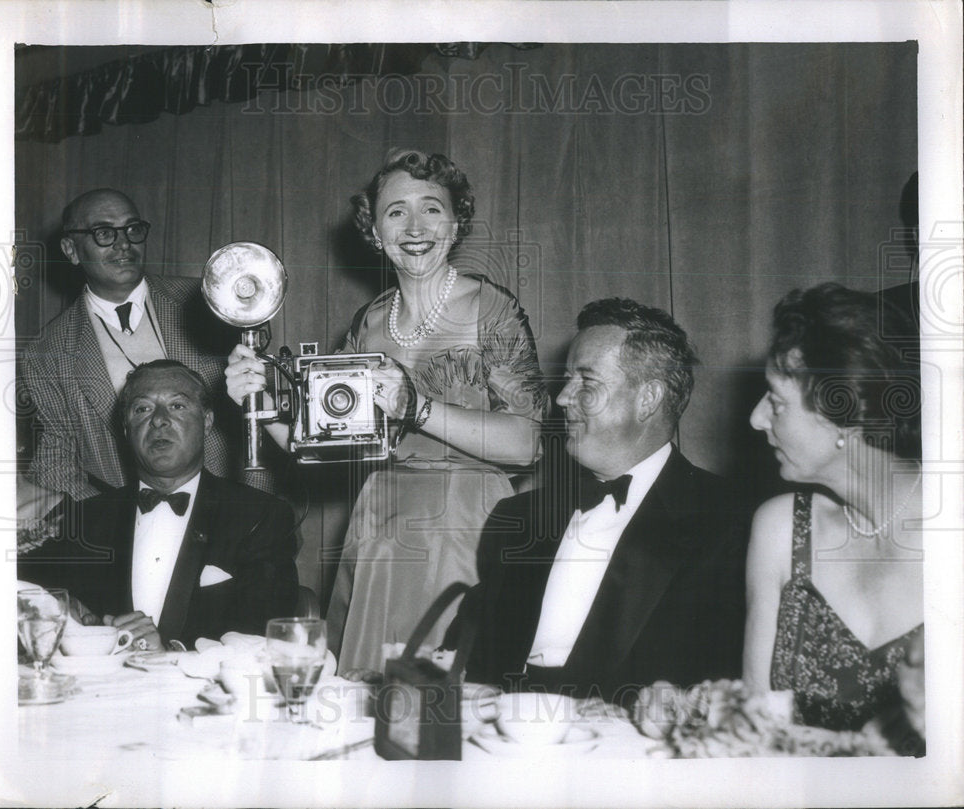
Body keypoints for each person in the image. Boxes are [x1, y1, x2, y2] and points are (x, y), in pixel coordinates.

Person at [226, 150, 547, 671]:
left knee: (445, 698)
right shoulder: (371, 320)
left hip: (466, 522)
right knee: (368, 697)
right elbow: (323, 449)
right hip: (379, 520)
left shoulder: (491, 308)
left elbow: (527, 442)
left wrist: (416, 407)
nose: (415, 227)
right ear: (374, 232)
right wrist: (260, 405)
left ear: (457, 221)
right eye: (396, 211)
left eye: (432, 209)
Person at [458, 298, 750, 708]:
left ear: (648, 398)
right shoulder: (518, 516)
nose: (561, 399)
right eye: (566, 379)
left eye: (587, 382)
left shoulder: (731, 520)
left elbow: (727, 684)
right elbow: (469, 654)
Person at [744, 283, 923, 745]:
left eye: (776, 402)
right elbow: (755, 731)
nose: (757, 419)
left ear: (843, 416)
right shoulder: (780, 530)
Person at [18, 360, 300, 650]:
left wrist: (169, 654)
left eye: (177, 406)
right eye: (143, 409)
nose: (159, 420)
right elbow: (24, 605)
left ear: (207, 421)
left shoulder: (260, 516)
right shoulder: (86, 520)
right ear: (126, 429)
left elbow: (268, 640)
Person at [19, 188, 239, 514]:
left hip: (232, 509)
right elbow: (55, 463)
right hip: (126, 527)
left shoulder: (209, 302)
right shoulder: (46, 353)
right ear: (71, 249)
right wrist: (115, 525)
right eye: (104, 233)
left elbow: (254, 416)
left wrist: (255, 508)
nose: (124, 244)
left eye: (133, 229)